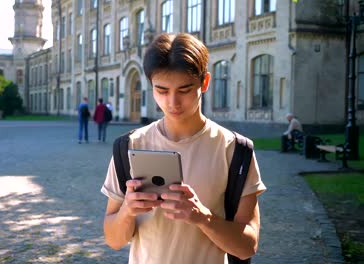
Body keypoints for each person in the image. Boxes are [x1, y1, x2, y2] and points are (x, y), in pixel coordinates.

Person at [101, 33, 266, 263]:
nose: (172, 103)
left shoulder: (234, 150)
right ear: (151, 85)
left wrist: (203, 218)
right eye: (162, 90)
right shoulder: (130, 146)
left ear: (205, 82)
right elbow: (113, 240)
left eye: (184, 90)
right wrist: (127, 210)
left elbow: (248, 246)